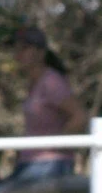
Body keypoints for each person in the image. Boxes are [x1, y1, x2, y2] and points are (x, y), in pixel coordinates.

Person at [12, 24, 84, 179]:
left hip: (49, 165)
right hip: (30, 163)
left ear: (41, 53)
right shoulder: (33, 83)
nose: (18, 54)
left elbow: (79, 117)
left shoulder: (51, 82)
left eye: (24, 48)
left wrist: (54, 145)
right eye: (16, 48)